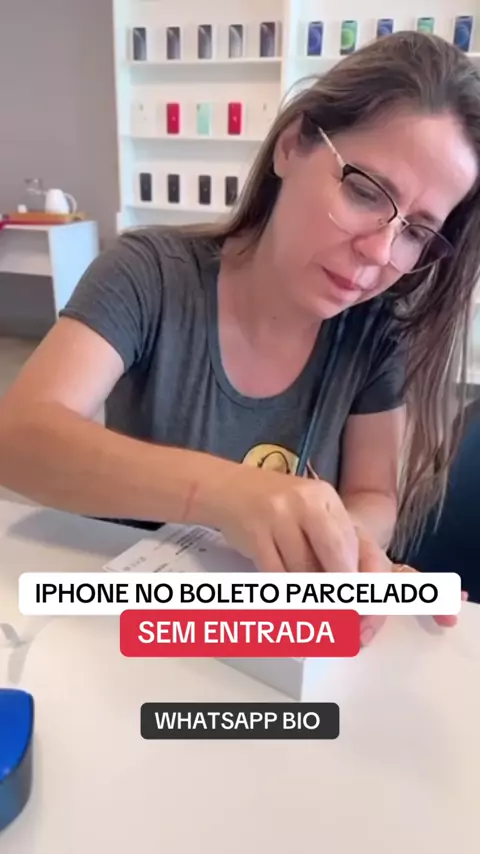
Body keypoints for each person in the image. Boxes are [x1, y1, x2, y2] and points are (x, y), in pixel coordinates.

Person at [0, 31, 477, 642]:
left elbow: (372, 491)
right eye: (364, 191)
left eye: (415, 232)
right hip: (121, 627)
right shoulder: (150, 275)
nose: (380, 252)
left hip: (256, 644)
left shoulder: (374, 332)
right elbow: (19, 438)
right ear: (292, 145)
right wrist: (228, 493)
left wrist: (346, 554)